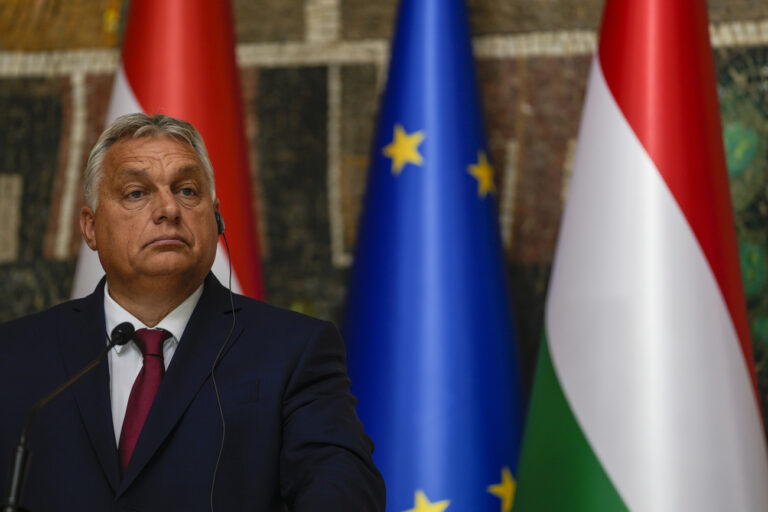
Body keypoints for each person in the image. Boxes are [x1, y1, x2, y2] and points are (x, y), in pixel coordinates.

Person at [0, 113, 385, 511]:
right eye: (136, 193)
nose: (168, 208)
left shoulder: (293, 351)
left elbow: (344, 492)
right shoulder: (14, 355)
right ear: (90, 227)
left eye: (186, 191)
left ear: (215, 218)